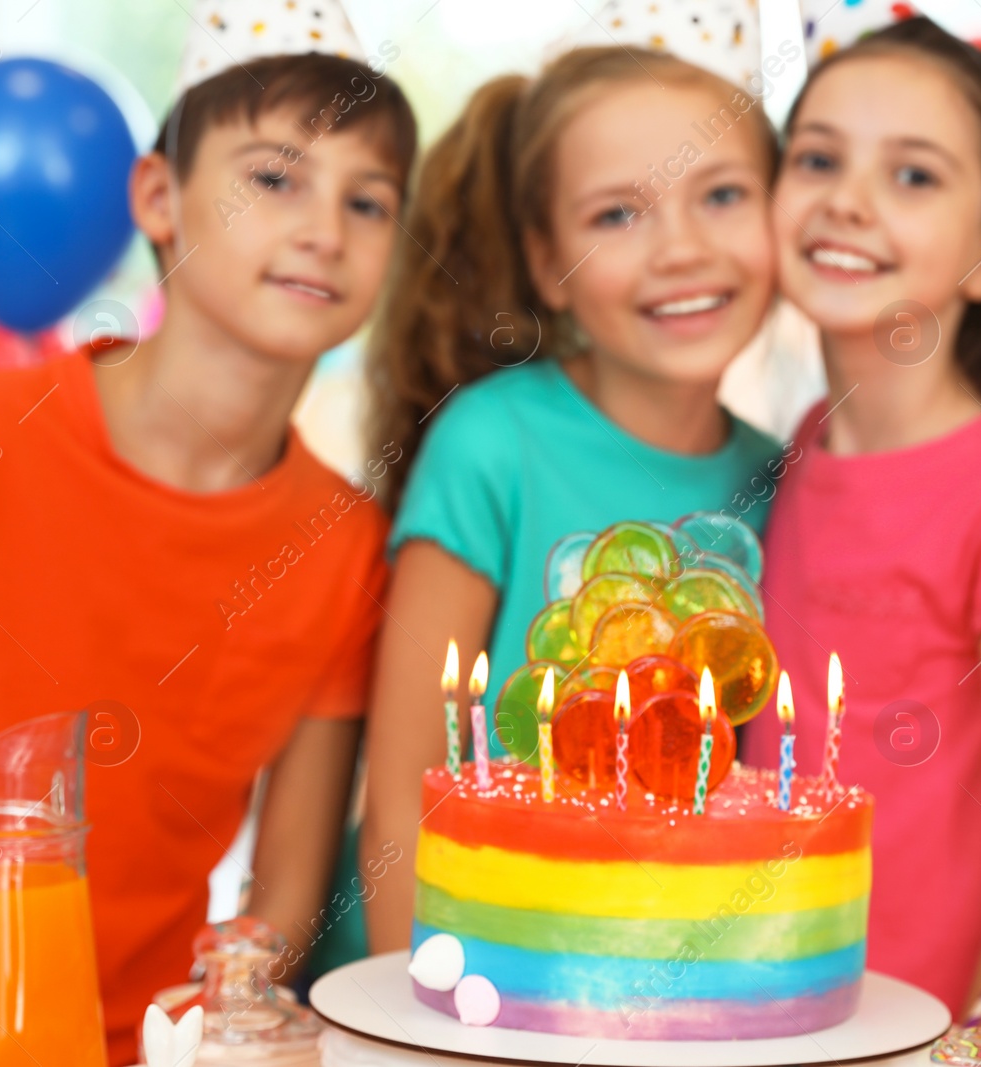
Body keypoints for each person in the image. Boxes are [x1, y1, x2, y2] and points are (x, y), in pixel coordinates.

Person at [0, 28, 417, 1062]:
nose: (325, 228)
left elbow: (283, 890)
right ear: (157, 198)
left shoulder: (344, 542)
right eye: (275, 178)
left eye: (367, 201)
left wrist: (240, 995)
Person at [740, 18, 981, 1064]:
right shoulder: (793, 457)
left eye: (913, 175)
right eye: (816, 157)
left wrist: (978, 1050)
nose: (847, 198)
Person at [357, 33, 787, 952]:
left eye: (722, 194)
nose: (682, 248)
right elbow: (401, 800)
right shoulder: (490, 442)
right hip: (440, 985)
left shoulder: (784, 480)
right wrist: (416, 1025)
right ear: (547, 256)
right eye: (617, 216)